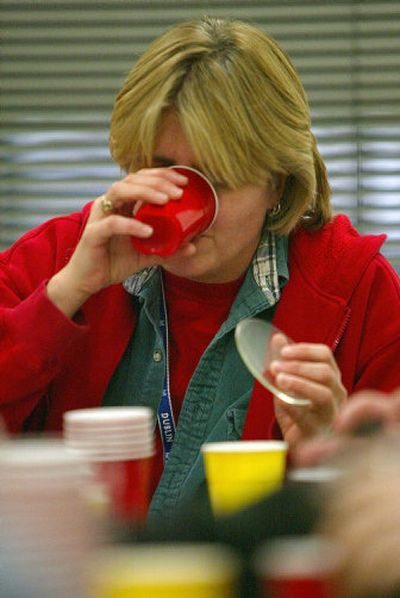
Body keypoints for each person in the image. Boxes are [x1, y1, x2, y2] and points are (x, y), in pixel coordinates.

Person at [0, 16, 399, 523]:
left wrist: (327, 452)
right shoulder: (61, 259)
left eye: (216, 176)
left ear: (277, 182)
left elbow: (383, 526)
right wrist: (62, 298)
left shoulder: (354, 291)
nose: (185, 200)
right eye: (164, 168)